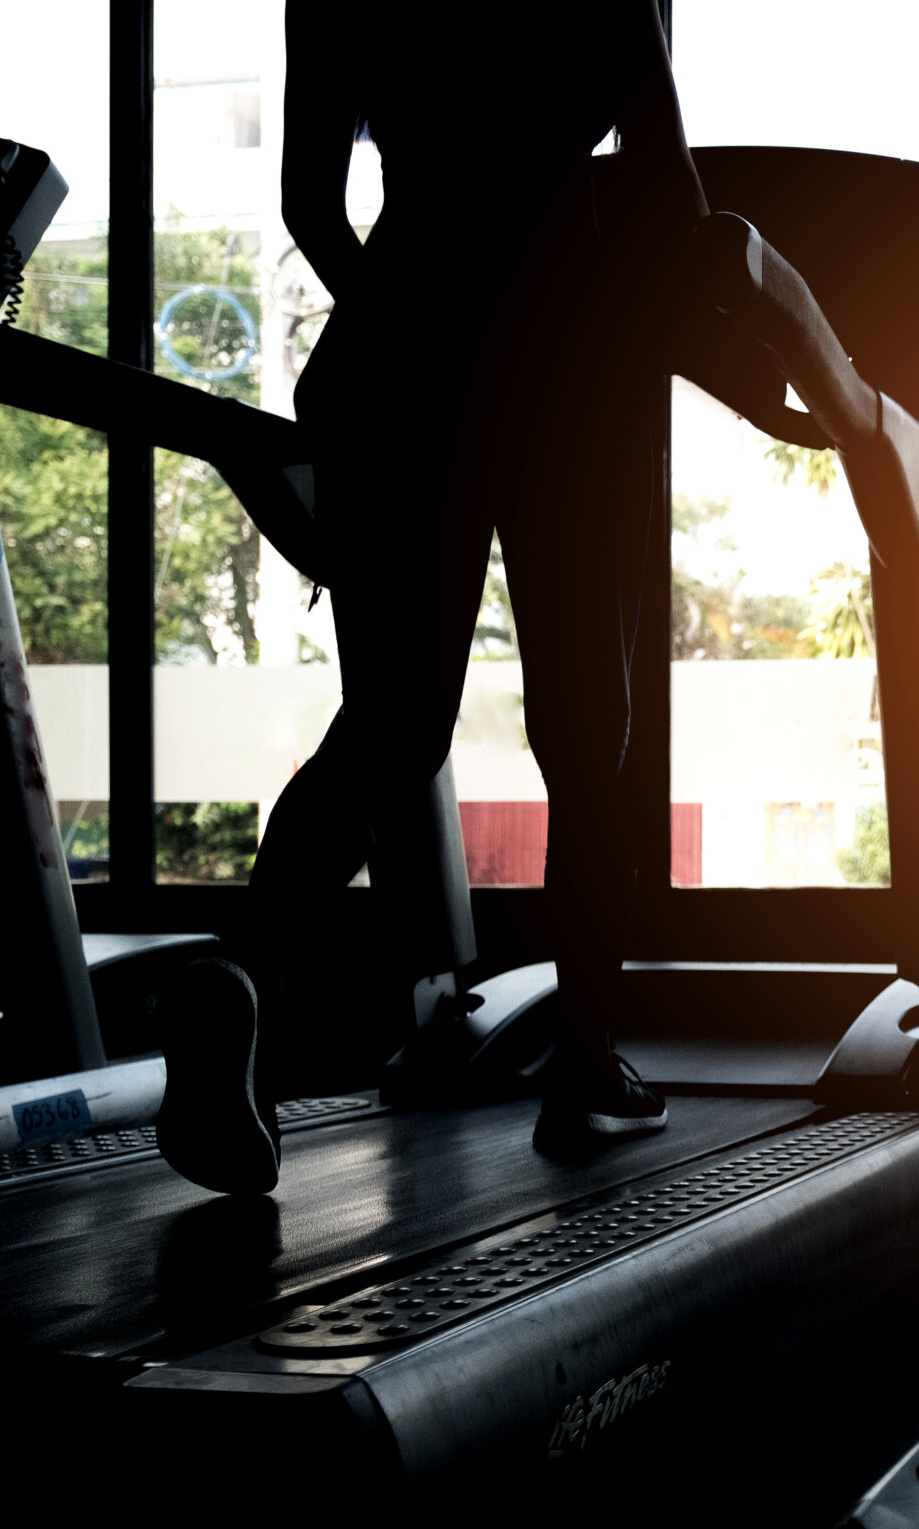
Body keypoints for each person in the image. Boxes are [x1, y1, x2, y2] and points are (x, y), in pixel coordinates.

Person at [156, 1, 711, 1193]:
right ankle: (589, 1064)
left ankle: (243, 978)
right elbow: (668, 187)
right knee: (586, 731)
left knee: (393, 728)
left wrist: (412, 312)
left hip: (402, 344)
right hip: (569, 344)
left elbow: (311, 202)